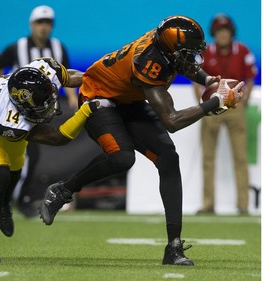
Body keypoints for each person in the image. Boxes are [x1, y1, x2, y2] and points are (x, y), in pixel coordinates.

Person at [38, 15, 244, 266]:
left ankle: (174, 247)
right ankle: (64, 190)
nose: (193, 58)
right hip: (99, 97)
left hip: (127, 99)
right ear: (173, 48)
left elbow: (184, 62)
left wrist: (208, 80)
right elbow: (172, 121)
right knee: (122, 157)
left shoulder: (166, 47)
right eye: (188, 52)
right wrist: (214, 103)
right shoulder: (149, 61)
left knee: (168, 157)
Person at [0, 57, 114, 262]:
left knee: (16, 169)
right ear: (23, 105)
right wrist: (86, 110)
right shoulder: (11, 122)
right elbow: (58, 138)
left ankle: (5, 204)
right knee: (0, 173)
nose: (50, 104)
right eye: (43, 102)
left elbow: (76, 77)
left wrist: (101, 83)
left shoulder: (45, 70)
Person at [0, 5, 78, 216]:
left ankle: (14, 198)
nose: (44, 27)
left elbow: (66, 73)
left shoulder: (58, 47)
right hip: (17, 109)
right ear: (32, 24)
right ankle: (13, 198)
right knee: (24, 153)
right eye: (40, 22)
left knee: (32, 154)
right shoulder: (17, 47)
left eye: (47, 23)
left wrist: (72, 98)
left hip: (44, 108)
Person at [192, 14, 258, 215]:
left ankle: (243, 204)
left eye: (226, 31)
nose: (223, 34)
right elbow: (196, 79)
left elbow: (249, 79)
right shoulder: (204, 53)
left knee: (240, 157)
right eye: (219, 31)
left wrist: (243, 101)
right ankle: (208, 203)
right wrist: (202, 106)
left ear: (231, 32)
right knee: (208, 158)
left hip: (235, 110)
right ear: (214, 33)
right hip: (211, 109)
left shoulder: (243, 51)